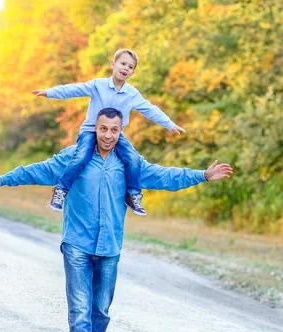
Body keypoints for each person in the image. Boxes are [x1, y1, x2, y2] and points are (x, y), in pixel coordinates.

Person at [0, 108, 233, 332]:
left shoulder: (128, 164)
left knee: (101, 309)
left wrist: (202, 175)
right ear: (94, 129)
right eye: (103, 129)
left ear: (120, 132)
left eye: (114, 130)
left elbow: (164, 176)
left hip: (109, 246)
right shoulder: (76, 158)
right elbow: (39, 170)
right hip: (77, 243)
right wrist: (0, 180)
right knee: (80, 307)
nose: (108, 135)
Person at [32, 49, 186, 216]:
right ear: (113, 64)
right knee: (81, 155)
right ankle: (61, 189)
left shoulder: (132, 94)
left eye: (130, 66)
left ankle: (133, 194)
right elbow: (74, 89)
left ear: (133, 72)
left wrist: (170, 124)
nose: (125, 68)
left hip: (116, 136)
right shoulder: (98, 86)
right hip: (91, 131)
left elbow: (150, 109)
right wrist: (49, 92)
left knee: (133, 159)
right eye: (123, 63)